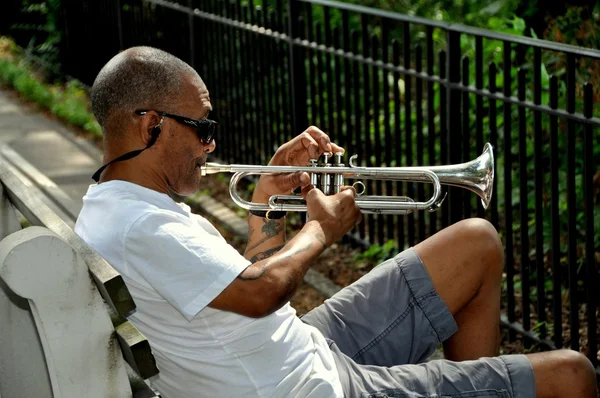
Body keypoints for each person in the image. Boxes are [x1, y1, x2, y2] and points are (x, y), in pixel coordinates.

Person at [74, 46, 597, 398]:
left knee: (476, 241)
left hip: (293, 348)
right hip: (308, 386)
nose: (211, 143)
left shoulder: (117, 205)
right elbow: (261, 293)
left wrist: (265, 200)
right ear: (151, 124)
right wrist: (320, 230)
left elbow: (244, 284)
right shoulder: (140, 225)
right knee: (573, 374)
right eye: (203, 126)